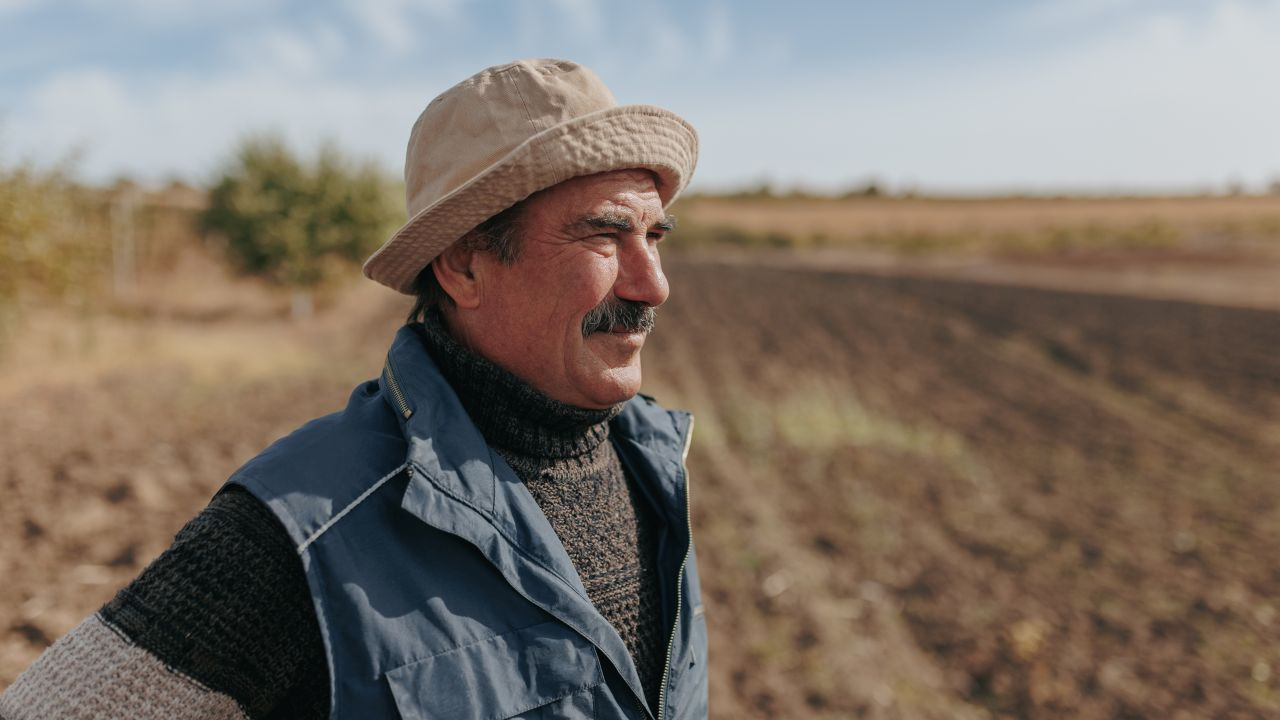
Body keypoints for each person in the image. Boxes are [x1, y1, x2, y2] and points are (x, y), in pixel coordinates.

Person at [0, 58, 706, 719]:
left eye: (655, 236)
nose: (654, 286)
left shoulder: (655, 469)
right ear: (464, 266)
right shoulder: (305, 529)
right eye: (606, 236)